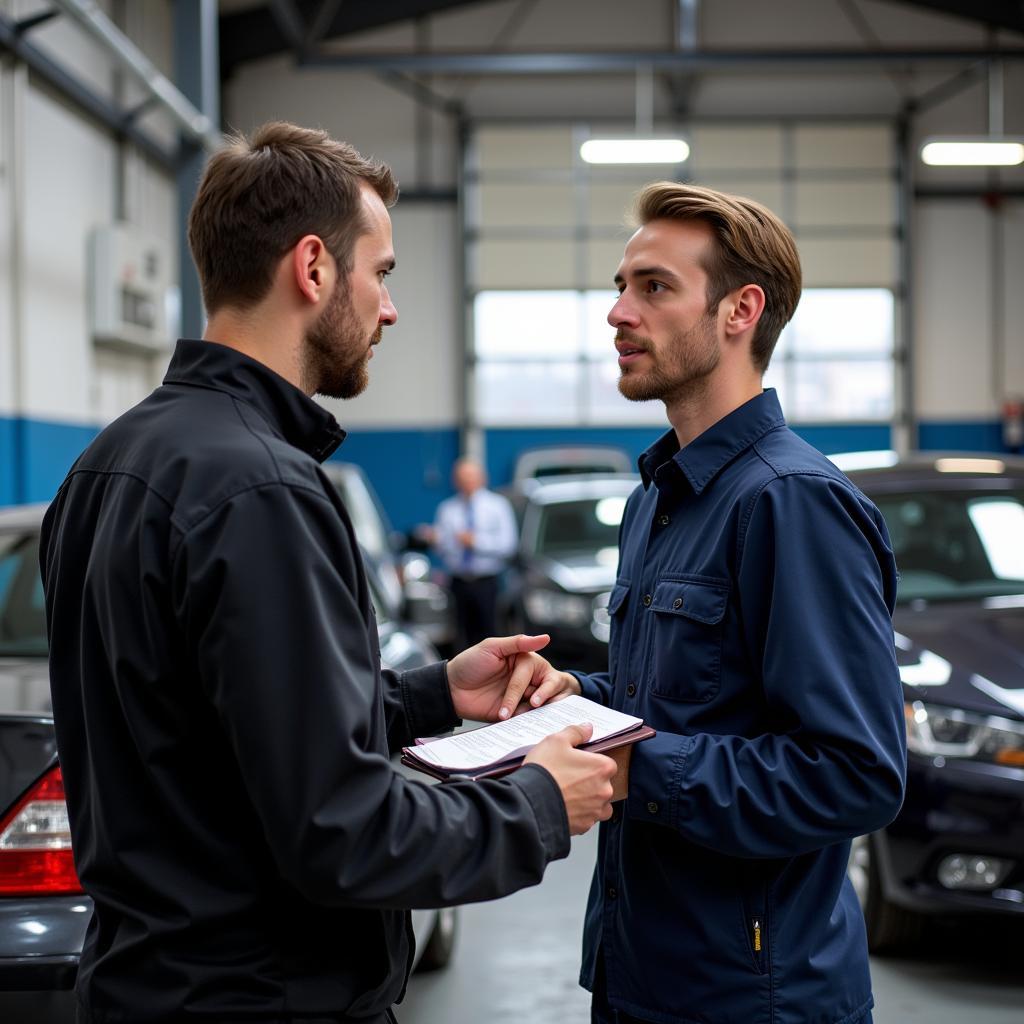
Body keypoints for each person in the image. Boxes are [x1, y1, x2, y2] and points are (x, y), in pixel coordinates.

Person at [39, 122, 617, 1024]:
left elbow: (212, 732)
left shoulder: (108, 463)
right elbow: (343, 834)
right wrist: (541, 802)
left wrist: (428, 696)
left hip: (143, 985)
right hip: (264, 998)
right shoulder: (261, 487)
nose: (389, 310)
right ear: (313, 268)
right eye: (380, 272)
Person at [527, 182, 907, 1024]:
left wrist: (640, 766)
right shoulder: (658, 499)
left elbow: (856, 774)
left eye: (654, 287)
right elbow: (691, 702)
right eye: (621, 287)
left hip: (751, 999)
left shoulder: (792, 503)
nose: (618, 313)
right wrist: (580, 699)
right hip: (639, 974)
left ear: (741, 310)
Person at [433, 457, 518, 649]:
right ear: (455, 480)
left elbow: (508, 545)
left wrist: (476, 542)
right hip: (458, 581)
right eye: (462, 478)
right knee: (460, 635)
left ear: (482, 478)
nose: (467, 482)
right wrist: (439, 540)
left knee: (490, 632)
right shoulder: (447, 509)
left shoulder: (498, 506)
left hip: (486, 581)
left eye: (470, 477)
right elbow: (442, 546)